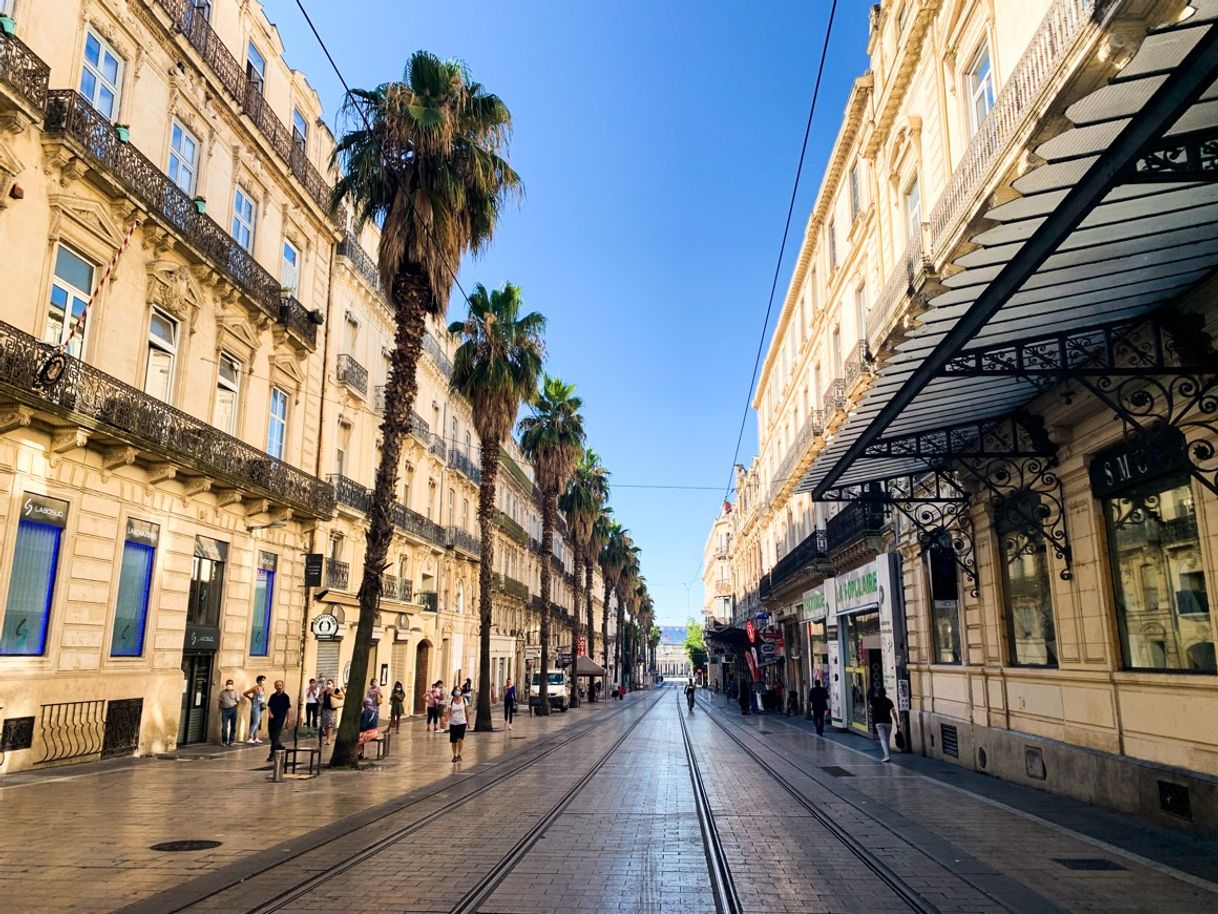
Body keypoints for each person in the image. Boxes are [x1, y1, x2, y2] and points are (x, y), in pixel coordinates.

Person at [870, 685, 897, 762]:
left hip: (879, 722)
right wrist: (897, 722)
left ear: (877, 693)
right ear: (885, 693)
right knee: (887, 739)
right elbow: (894, 713)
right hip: (888, 722)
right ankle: (887, 754)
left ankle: (886, 755)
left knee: (882, 739)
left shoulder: (874, 700)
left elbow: (870, 708)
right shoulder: (889, 701)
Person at [266, 680, 291, 761]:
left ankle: (272, 754)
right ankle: (280, 746)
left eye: (280, 685)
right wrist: (269, 713)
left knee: (275, 736)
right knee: (271, 736)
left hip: (280, 719)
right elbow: (269, 706)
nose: (278, 687)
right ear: (275, 686)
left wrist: (288, 720)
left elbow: (288, 709)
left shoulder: (285, 697)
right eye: (277, 685)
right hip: (272, 718)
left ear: (282, 686)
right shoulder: (273, 696)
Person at [448, 688, 469, 762]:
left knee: (460, 739)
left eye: (459, 690)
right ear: (453, 691)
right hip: (453, 723)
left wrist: (468, 721)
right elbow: (449, 712)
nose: (457, 691)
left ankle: (459, 753)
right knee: (453, 740)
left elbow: (466, 711)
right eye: (456, 690)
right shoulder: (450, 701)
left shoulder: (464, 700)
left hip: (462, 722)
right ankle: (454, 755)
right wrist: (447, 721)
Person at [244, 675, 266, 743]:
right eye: (263, 680)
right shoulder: (255, 688)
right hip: (255, 705)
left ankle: (256, 737)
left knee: (258, 722)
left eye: (264, 680)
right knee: (256, 721)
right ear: (259, 681)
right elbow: (245, 693)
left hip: (261, 705)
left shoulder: (263, 688)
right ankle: (250, 737)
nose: (264, 681)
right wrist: (251, 699)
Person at [321, 679, 343, 745]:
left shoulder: (336, 690)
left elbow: (342, 697)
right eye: (327, 683)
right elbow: (320, 695)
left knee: (330, 724)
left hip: (332, 709)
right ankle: (327, 738)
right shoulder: (325, 691)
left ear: (333, 684)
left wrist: (333, 695)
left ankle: (329, 739)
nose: (328, 684)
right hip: (325, 709)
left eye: (329, 683)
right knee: (325, 724)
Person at [217, 679, 239, 746]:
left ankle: (231, 741)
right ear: (226, 684)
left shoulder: (235, 692)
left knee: (233, 726)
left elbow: (238, 701)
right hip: (225, 710)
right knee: (224, 727)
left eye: (231, 684)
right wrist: (222, 709)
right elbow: (220, 701)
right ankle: (224, 741)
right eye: (228, 684)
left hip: (233, 709)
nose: (229, 685)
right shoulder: (222, 692)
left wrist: (235, 709)